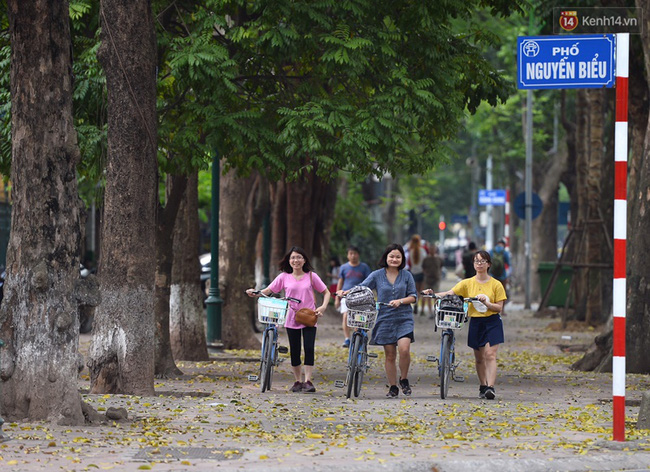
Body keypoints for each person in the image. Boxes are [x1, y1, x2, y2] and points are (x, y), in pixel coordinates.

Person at [424, 250, 506, 400]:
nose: (479, 264)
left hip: (493, 321)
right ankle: (483, 385)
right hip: (476, 322)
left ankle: (491, 387)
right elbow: (450, 293)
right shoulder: (467, 283)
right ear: (473, 264)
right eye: (476, 261)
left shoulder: (496, 284)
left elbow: (499, 307)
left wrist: (487, 303)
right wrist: (433, 294)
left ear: (488, 264)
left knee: (490, 354)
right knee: (479, 358)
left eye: (482, 261)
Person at [246, 246, 330, 393]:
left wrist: (322, 307)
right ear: (289, 260)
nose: (295, 260)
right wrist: (256, 292)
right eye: (293, 257)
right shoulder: (283, 277)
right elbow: (269, 291)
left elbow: (326, 292)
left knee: (309, 348)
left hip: (310, 317)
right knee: (295, 350)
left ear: (304, 260)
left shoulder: (311, 276)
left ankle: (308, 381)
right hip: (291, 318)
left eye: (299, 257)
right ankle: (297, 381)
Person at [338, 243, 417, 398]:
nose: (394, 259)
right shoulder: (376, 274)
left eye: (398, 257)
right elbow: (362, 287)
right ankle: (393, 386)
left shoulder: (407, 275)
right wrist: (346, 292)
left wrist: (401, 301)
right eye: (392, 256)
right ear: (386, 257)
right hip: (384, 318)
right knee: (389, 355)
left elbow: (413, 296)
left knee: (404, 349)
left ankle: (404, 378)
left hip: (404, 318)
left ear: (402, 259)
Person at [335, 246, 371, 348]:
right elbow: (340, 282)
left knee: (357, 319)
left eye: (355, 253)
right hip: (346, 296)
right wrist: (337, 297)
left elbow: (369, 282)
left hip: (361, 296)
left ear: (358, 255)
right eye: (351, 253)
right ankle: (347, 339)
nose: (353, 256)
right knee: (346, 316)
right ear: (347, 255)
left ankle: (357, 337)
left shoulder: (364, 267)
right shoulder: (344, 267)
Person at [406, 234, 428, 314]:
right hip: (422, 273)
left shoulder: (411, 251)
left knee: (416, 291)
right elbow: (426, 262)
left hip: (413, 273)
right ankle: (422, 310)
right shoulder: (423, 250)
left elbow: (409, 263)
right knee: (423, 291)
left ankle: (415, 306)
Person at [489, 239, 511, 316]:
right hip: (502, 276)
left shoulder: (491, 251)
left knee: (492, 293)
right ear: (504, 245)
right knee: (502, 294)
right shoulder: (505, 252)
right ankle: (502, 310)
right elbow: (508, 263)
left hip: (492, 276)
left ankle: (492, 309)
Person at [421, 245, 443, 317]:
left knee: (436, 295)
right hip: (428, 279)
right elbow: (423, 267)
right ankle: (430, 312)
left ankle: (435, 310)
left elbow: (441, 267)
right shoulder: (426, 259)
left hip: (436, 279)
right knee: (428, 296)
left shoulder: (439, 259)